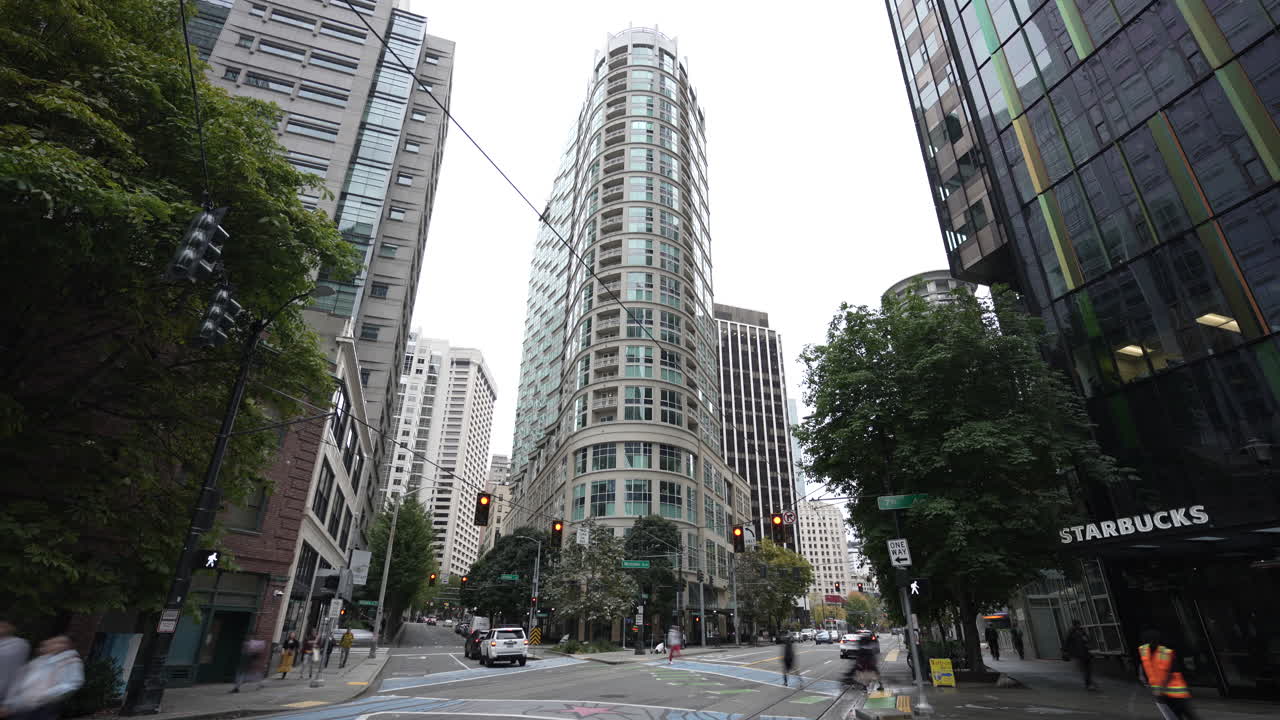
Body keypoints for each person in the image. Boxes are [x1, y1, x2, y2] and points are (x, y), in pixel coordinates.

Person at [2, 635, 83, 720]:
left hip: (43, 708)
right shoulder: (40, 661)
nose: (51, 645)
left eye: (58, 643)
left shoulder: (70, 661)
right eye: (52, 642)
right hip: (22, 706)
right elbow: (20, 681)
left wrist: (42, 696)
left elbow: (72, 683)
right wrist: (10, 703)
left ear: (66, 646)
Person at [1139, 629, 1199, 719]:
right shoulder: (1145, 653)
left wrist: (1159, 689)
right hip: (1165, 694)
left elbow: (1171, 673)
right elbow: (1146, 669)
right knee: (1178, 716)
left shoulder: (1165, 653)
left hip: (1175, 693)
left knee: (1186, 715)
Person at [0, 621, 30, 704]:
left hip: (5, 686)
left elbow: (7, 658)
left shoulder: (20, 643)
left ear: (11, 628)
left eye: (3, 626)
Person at [1065, 619, 1098, 691]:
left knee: (1088, 668)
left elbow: (1086, 639)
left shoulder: (1080, 631)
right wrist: (1067, 651)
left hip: (1085, 652)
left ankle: (1089, 682)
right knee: (1086, 668)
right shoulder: (1072, 632)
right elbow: (1067, 642)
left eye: (1079, 624)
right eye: (1078, 624)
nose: (1079, 625)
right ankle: (1088, 683)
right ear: (1075, 624)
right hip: (1080, 653)